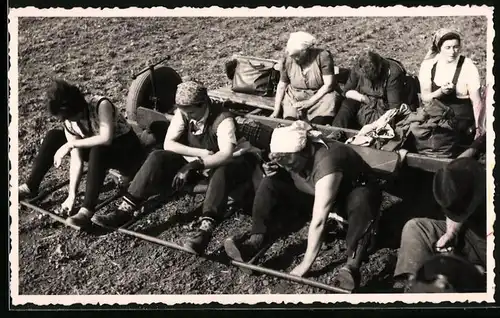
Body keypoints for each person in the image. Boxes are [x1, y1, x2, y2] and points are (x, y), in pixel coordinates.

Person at [92, 81, 258, 255]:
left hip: (233, 163)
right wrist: (199, 154)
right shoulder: (184, 113)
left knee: (222, 171)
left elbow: (225, 154)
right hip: (202, 159)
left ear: (203, 104)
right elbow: (169, 143)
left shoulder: (223, 120)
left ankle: (204, 231)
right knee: (158, 156)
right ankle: (124, 210)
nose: (188, 116)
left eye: (191, 111)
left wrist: (196, 164)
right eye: (183, 111)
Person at [223, 121, 382, 292]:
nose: (288, 167)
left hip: (349, 195)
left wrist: (305, 264)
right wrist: (276, 168)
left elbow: (319, 220)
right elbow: (282, 164)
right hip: (315, 190)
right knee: (270, 182)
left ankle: (352, 264)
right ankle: (257, 240)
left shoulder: (327, 163)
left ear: (306, 151)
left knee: (362, 201)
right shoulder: (294, 153)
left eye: (291, 163)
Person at [18, 79, 147, 228]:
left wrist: (71, 144)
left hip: (128, 154)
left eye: (67, 116)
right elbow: (76, 158)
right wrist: (71, 194)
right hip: (103, 154)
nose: (66, 120)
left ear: (76, 108)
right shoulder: (70, 122)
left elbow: (106, 139)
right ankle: (30, 187)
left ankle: (86, 210)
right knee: (53, 136)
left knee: (98, 149)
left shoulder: (101, 104)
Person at [392, 154, 486, 292]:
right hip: (472, 235)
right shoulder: (471, 183)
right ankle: (415, 287)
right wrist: (451, 233)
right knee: (416, 228)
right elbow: (457, 210)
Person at [418, 28, 485, 146]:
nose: (452, 52)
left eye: (456, 47)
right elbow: (425, 98)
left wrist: (479, 129)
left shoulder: (467, 66)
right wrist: (440, 92)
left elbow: (477, 102)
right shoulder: (429, 65)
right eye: (447, 48)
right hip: (437, 114)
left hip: (460, 116)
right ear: (440, 48)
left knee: (445, 137)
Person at [270, 31, 339, 125]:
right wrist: (276, 110)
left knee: (320, 121)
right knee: (290, 124)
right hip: (295, 96)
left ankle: (318, 125)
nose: (295, 59)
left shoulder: (322, 56)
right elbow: (282, 85)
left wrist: (310, 102)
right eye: (293, 56)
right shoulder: (287, 60)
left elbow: (329, 85)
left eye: (298, 56)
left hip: (320, 95)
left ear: (306, 51)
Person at [331, 50, 406, 129]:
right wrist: (363, 98)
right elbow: (346, 91)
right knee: (347, 104)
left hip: (383, 107)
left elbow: (394, 108)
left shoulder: (392, 73)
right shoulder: (359, 67)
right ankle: (335, 132)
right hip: (364, 101)